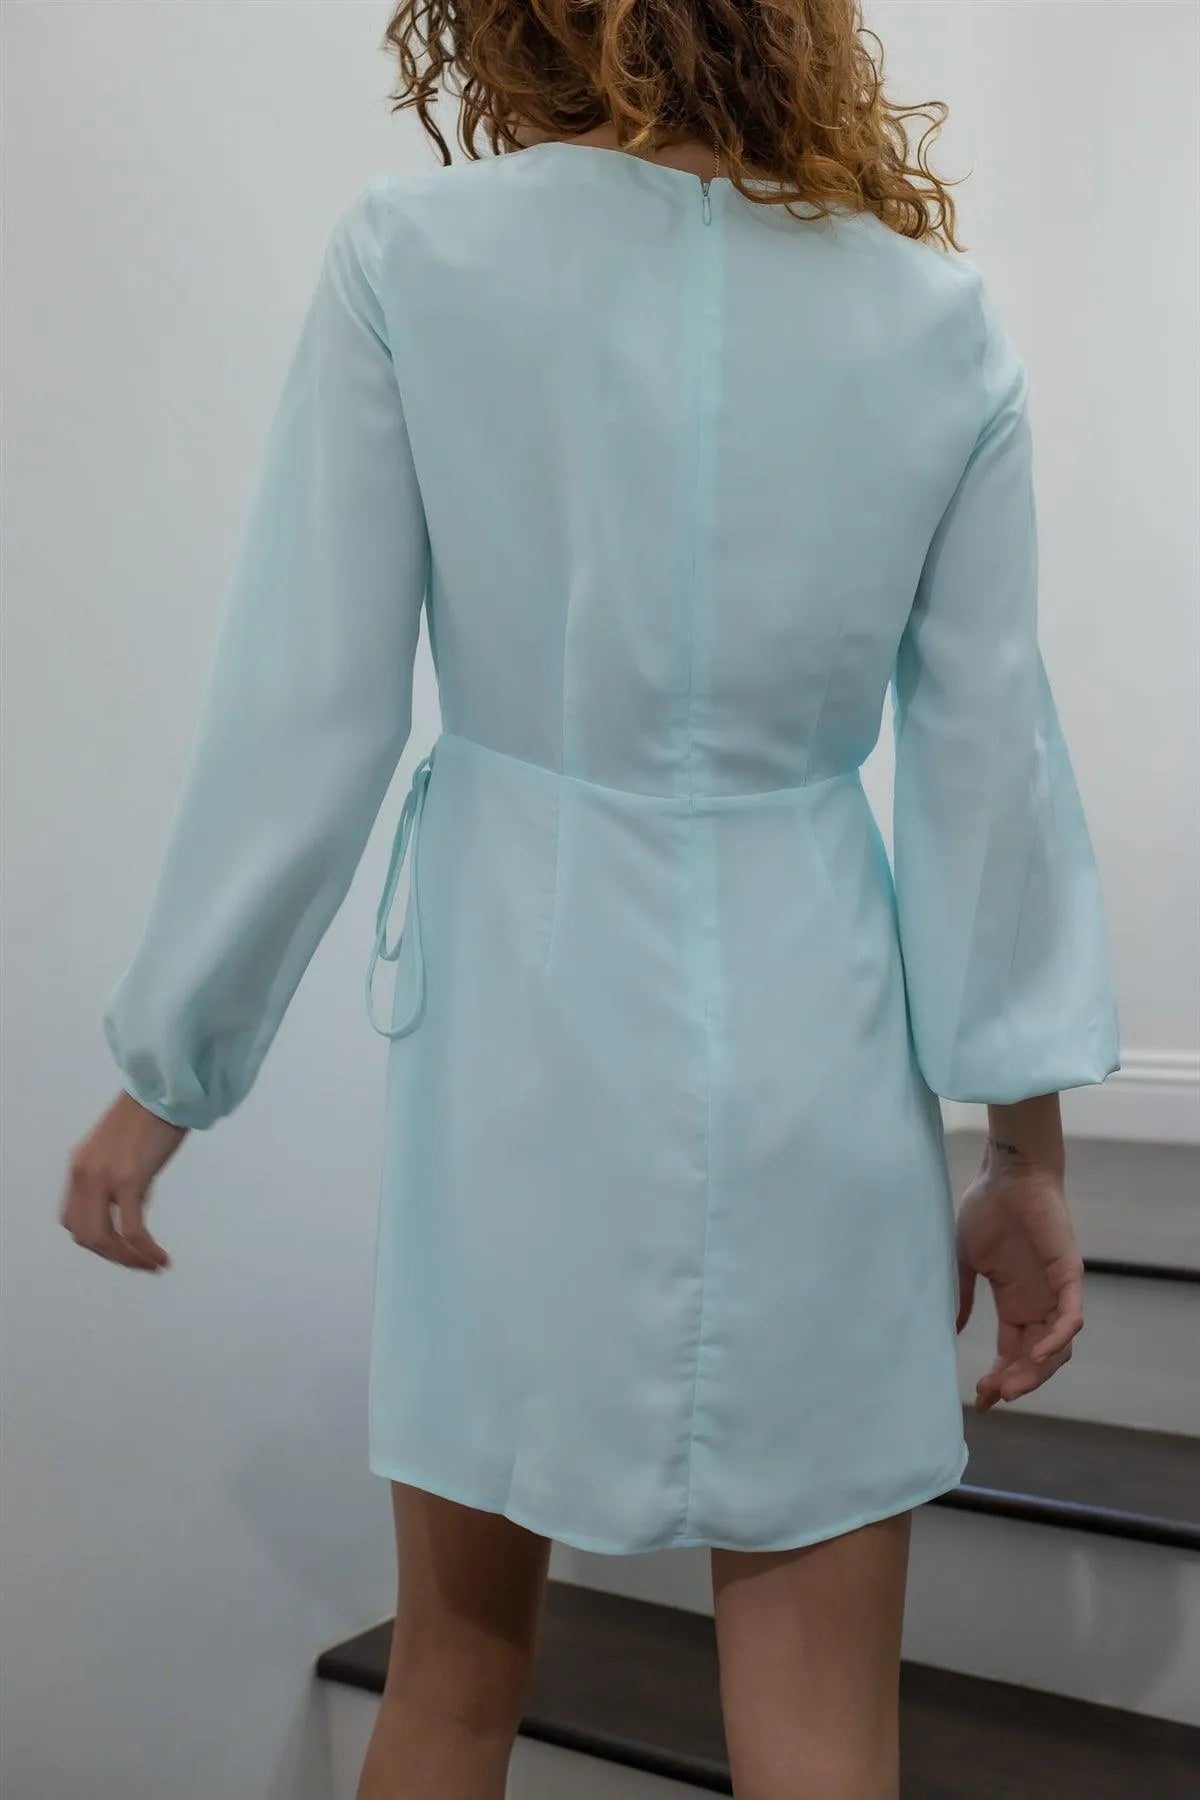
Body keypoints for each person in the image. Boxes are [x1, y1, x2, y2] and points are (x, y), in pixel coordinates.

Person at [59, 2, 1122, 1796]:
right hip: (819, 1045)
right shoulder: (932, 316)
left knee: (453, 1681)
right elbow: (988, 773)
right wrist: (1027, 1154)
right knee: (821, 1736)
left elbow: (313, 715)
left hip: (523, 1049)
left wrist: (168, 1073)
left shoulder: (417, 258)